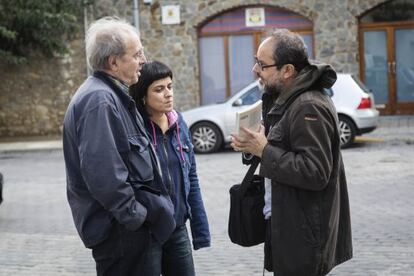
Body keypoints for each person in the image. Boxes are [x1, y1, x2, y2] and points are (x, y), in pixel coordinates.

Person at [230, 29, 352, 276]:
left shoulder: (308, 105)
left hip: (303, 232)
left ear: (287, 70)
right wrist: (252, 147)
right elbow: (279, 148)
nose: (255, 70)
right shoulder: (285, 97)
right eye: (256, 61)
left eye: (262, 65)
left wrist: (264, 150)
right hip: (286, 221)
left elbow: (315, 171)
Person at [63, 17, 176, 276]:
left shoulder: (111, 94)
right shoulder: (99, 100)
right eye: (136, 55)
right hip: (120, 233)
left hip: (124, 230)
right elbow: (104, 174)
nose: (144, 61)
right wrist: (136, 217)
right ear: (114, 62)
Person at [129, 61, 211, 276]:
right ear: (143, 96)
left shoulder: (179, 123)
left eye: (170, 87)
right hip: (148, 230)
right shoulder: (135, 129)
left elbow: (191, 177)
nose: (168, 94)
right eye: (159, 89)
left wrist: (200, 230)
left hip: (177, 228)